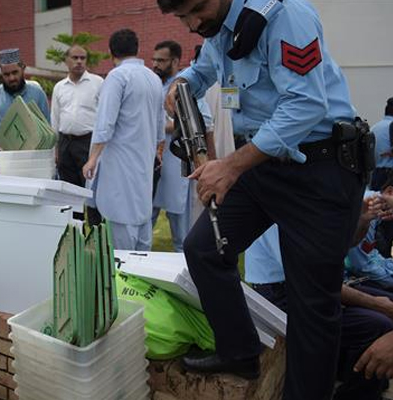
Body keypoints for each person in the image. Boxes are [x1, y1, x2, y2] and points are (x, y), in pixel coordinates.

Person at [157, 0, 366, 399]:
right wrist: (181, 82)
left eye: (196, 10)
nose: (191, 24)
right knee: (203, 248)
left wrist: (232, 166)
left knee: (311, 305)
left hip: (320, 170)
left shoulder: (285, 15)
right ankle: (239, 351)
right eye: (181, 17)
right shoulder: (218, 28)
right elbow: (203, 71)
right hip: (264, 165)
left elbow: (306, 103)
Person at [245, 224, 393, 400]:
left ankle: (364, 384)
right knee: (378, 325)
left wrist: (362, 221)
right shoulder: (283, 212)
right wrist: (377, 304)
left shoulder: (313, 205)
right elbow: (315, 280)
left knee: (382, 312)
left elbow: (343, 251)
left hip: (311, 286)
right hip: (285, 293)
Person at [82, 29, 164, 251]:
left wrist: (92, 158)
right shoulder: (154, 78)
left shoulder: (117, 77)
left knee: (120, 233)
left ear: (111, 52)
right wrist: (157, 151)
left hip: (119, 163)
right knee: (142, 224)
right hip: (143, 162)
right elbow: (160, 127)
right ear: (137, 49)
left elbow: (105, 123)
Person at [151, 40, 213, 252]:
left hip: (176, 162)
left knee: (181, 230)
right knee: (147, 216)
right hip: (154, 163)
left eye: (161, 60)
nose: (156, 64)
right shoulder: (154, 85)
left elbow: (202, 120)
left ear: (175, 61)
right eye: (154, 60)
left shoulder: (185, 87)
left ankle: (187, 272)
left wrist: (160, 127)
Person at [0, 48, 50, 175]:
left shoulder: (37, 93)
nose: (11, 78)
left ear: (23, 69)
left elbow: (47, 128)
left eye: (15, 72)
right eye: (6, 74)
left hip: (27, 159)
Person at [51, 45, 103, 189]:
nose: (79, 61)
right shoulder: (59, 87)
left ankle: (92, 212)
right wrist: (55, 149)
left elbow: (104, 116)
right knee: (69, 189)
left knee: (91, 187)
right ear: (66, 60)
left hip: (88, 143)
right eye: (75, 58)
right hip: (65, 144)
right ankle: (74, 213)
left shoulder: (98, 83)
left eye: (82, 58)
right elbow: (55, 119)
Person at [369, 98, 393, 257]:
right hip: (390, 175)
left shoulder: (374, 128)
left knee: (376, 216)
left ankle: (376, 252)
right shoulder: (391, 127)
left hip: (376, 174)